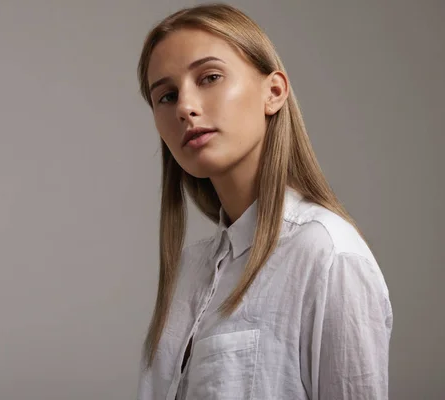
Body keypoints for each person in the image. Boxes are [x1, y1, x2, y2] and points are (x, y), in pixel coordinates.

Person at [135, 3, 392, 399]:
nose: (185, 106)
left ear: (273, 92)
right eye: (166, 96)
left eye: (210, 77)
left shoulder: (327, 255)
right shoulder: (189, 269)